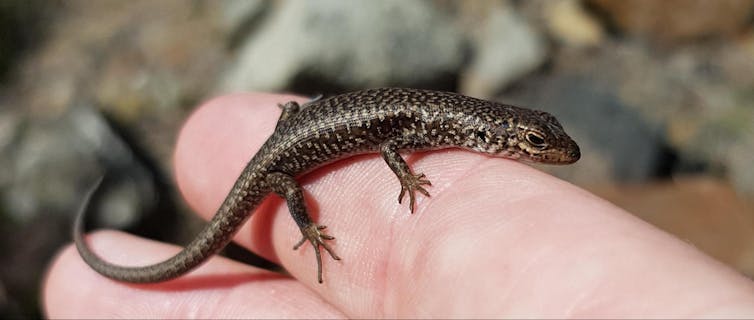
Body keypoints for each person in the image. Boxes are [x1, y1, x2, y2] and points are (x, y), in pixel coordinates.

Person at [44, 93, 754, 318]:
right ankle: (305, 228)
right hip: (282, 167)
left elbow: (397, 132)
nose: (552, 151)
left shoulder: (460, 121)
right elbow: (393, 145)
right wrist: (402, 183)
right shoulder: (438, 125)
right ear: (504, 132)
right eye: (540, 144)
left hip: (295, 139)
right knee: (297, 194)